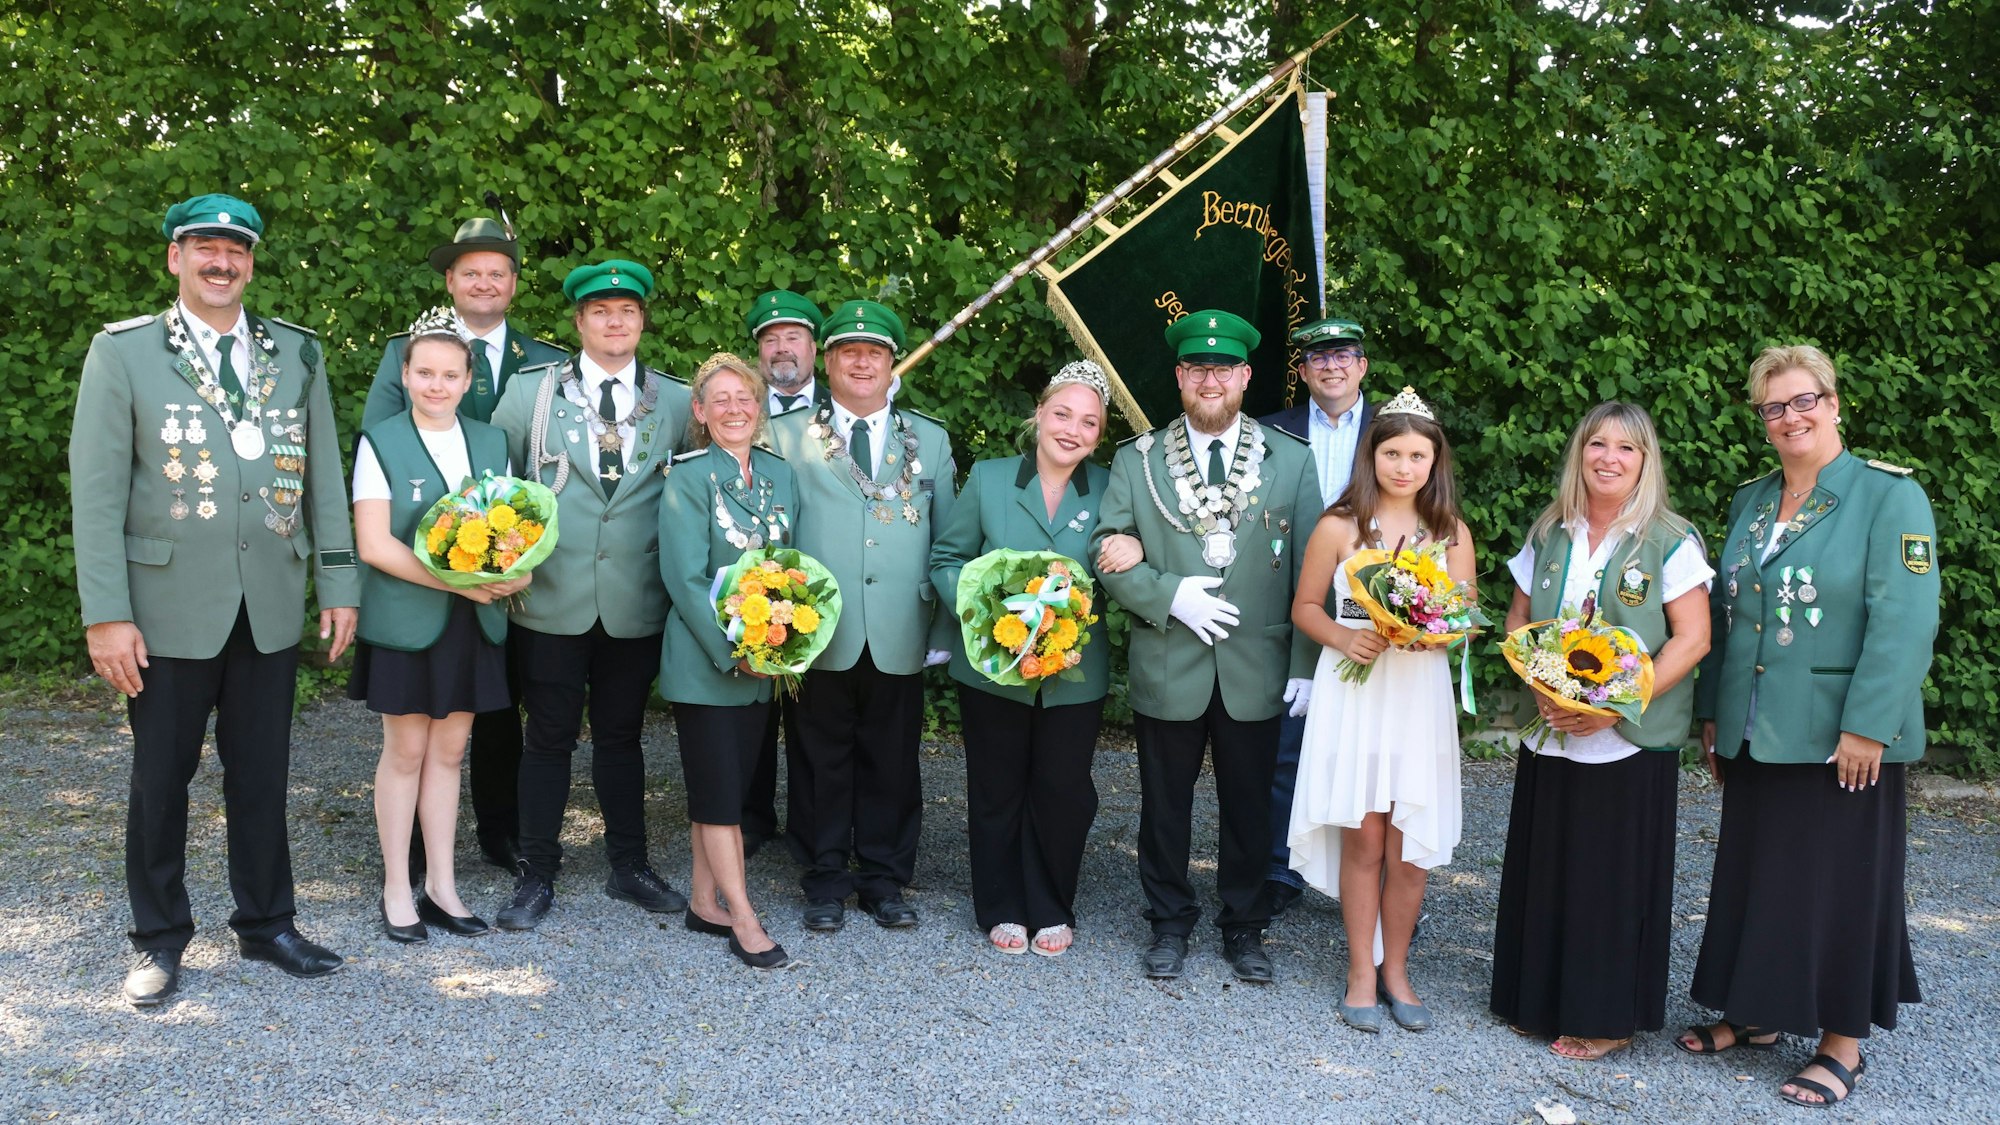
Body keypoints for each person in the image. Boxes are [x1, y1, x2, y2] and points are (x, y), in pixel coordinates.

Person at [71, 194, 359, 1005]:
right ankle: (158, 937)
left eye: (235, 250)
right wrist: (106, 612)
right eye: (204, 247)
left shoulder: (295, 354)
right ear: (175, 258)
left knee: (262, 775)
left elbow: (324, 481)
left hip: (266, 600)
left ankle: (267, 923)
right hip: (163, 609)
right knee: (161, 778)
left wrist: (338, 581)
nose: (221, 261)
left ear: (251, 263)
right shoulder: (124, 353)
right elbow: (94, 497)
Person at [1684, 345, 1938, 1109]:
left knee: (1842, 883)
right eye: (1774, 406)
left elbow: (1906, 619)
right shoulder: (1751, 500)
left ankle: (1841, 1041)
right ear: (1762, 419)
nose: (1791, 416)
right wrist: (1711, 712)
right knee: (1761, 872)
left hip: (1840, 734)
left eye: (1804, 400)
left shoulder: (1888, 496)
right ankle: (1759, 1012)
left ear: (1833, 403)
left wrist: (1869, 725)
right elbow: (1727, 613)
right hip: (1757, 727)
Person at [1091, 309, 1322, 983]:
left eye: (1223, 368)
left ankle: (1245, 925)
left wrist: (1307, 664)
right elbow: (1105, 549)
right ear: (1179, 377)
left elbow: (1313, 566)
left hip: (1259, 664)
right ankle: (1168, 921)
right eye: (1197, 369)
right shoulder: (1137, 461)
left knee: (1251, 803)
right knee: (1165, 803)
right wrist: (1169, 595)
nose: (1210, 380)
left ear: (1246, 377)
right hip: (1171, 658)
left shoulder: (1291, 460)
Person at [1487, 402, 1713, 1059]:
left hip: (1627, 740)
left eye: (1626, 448)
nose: (1609, 458)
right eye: (1597, 443)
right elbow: (1518, 620)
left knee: (1608, 880)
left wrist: (1614, 706)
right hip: (1554, 729)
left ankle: (1606, 1015)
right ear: (1579, 452)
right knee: (1549, 867)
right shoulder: (1552, 531)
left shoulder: (1670, 538)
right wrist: (1543, 686)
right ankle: (1537, 1000)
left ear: (1645, 461)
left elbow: (1693, 639)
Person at [488, 259, 693, 931]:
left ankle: (628, 865)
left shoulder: (679, 400)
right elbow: (497, 492)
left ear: (641, 321)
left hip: (635, 598)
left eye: (627, 311)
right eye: (601, 311)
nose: (614, 321)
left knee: (621, 736)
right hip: (551, 596)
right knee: (546, 738)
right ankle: (536, 872)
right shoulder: (532, 395)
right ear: (578, 321)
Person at [361, 216, 568, 875]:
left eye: (497, 272)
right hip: (423, 565)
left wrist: (519, 550)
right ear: (450, 280)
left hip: (506, 557)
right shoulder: (407, 352)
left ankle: (499, 831)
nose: (484, 282)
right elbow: (383, 445)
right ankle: (416, 851)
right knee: (420, 724)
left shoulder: (545, 361)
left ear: (513, 284)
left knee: (496, 705)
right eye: (471, 271)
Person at [930, 361, 1144, 957]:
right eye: (1062, 414)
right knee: (996, 787)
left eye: (1089, 422)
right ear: (1040, 415)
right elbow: (947, 560)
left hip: (1074, 671)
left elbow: (1129, 549)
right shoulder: (991, 479)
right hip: (993, 666)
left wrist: (1133, 543)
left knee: (1064, 790)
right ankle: (1001, 903)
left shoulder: (1109, 488)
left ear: (1100, 436)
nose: (1072, 430)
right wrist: (984, 607)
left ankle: (1051, 901)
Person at [765, 299, 958, 932]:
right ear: (828, 362)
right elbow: (772, 536)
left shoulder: (929, 439)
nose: (861, 362)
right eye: (849, 352)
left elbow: (948, 542)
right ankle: (823, 877)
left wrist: (940, 631)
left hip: (901, 627)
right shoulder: (788, 437)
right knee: (818, 757)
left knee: (893, 758)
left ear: (892, 363)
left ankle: (884, 878)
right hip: (819, 628)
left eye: (874, 353)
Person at [1287, 387, 1473, 1033]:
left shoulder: (1448, 532)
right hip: (1357, 687)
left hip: (1417, 692)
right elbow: (1305, 607)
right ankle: (1360, 972)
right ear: (1372, 455)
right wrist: (1346, 636)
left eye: (1417, 454)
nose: (1403, 465)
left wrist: (1435, 632)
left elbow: (1463, 616)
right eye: (1391, 451)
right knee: (1364, 835)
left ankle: (1397, 968)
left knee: (1409, 844)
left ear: (1434, 461)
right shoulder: (1340, 525)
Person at [349, 310, 530, 942]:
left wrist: (519, 572)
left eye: (449, 374)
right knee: (406, 751)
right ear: (405, 374)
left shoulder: (490, 441)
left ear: (466, 378)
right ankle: (397, 885)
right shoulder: (380, 441)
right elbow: (374, 544)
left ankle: (442, 885)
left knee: (451, 753)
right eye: (424, 372)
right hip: (408, 620)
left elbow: (513, 528)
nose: (436, 384)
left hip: (474, 622)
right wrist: (457, 581)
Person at [657, 352, 797, 969]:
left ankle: (702, 900)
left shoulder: (779, 474)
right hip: (706, 660)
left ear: (759, 406)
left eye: (745, 397)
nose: (735, 409)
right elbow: (683, 579)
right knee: (720, 798)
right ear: (700, 412)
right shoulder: (687, 477)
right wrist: (732, 653)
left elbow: (793, 567)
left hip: (763, 664)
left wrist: (781, 647)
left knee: (727, 788)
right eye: (721, 400)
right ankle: (743, 917)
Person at [1256, 317, 1377, 921]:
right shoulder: (1270, 431)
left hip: (1374, 607)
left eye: (1344, 355)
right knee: (1288, 745)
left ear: (1362, 367)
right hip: (1290, 603)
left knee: (1367, 749)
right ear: (1302, 371)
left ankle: (1364, 873)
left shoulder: (1396, 430)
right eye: (1318, 357)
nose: (1331, 366)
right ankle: (1282, 867)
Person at [740, 290, 826, 862]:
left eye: (792, 337)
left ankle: (811, 828)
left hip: (818, 582)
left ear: (815, 347)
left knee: (814, 717)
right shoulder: (744, 408)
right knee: (749, 707)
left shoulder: (841, 409)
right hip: (752, 578)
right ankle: (748, 819)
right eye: (770, 340)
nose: (781, 349)